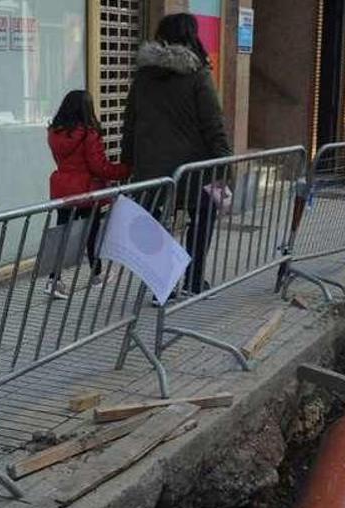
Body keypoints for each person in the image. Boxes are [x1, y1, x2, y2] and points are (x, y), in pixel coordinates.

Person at [121, 13, 231, 296]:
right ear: (191, 36)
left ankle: (163, 284)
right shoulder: (198, 76)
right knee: (203, 216)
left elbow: (130, 122)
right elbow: (213, 125)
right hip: (194, 168)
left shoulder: (143, 78)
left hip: (151, 168)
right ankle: (194, 280)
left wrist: (127, 163)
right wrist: (225, 168)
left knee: (155, 225)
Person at [46, 90, 131, 300]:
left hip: (63, 188)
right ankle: (97, 274)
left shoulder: (54, 132)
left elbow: (63, 161)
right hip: (86, 189)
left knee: (63, 233)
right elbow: (98, 166)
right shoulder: (89, 133)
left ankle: (53, 280)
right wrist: (124, 170)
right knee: (91, 233)